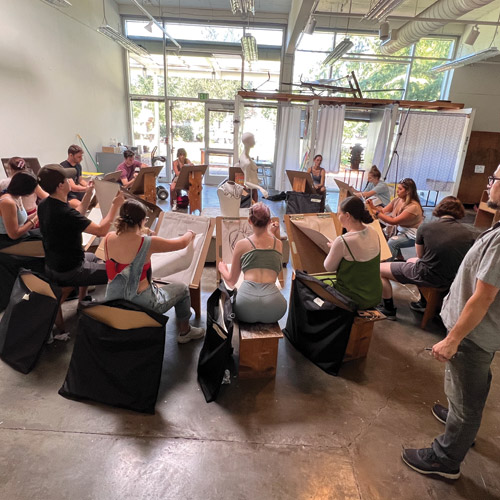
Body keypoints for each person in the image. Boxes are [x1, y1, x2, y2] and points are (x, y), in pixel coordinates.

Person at [402, 167, 500, 480]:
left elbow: (484, 297)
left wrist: (452, 338)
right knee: (466, 387)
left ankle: (446, 458)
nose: (488, 185)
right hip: (475, 331)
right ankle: (459, 422)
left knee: (468, 394)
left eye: (493, 179)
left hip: (474, 333)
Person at [104, 199, 205, 343]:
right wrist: (189, 233)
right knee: (182, 289)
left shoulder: (108, 238)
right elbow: (181, 243)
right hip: (142, 304)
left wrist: (141, 231)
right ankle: (185, 331)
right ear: (141, 221)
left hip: (113, 301)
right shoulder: (147, 242)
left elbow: (126, 248)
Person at [37, 164, 124, 308]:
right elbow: (101, 231)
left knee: (94, 256)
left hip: (54, 264)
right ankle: (118, 309)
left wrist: (89, 193)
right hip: (70, 270)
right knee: (121, 271)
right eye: (66, 179)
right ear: (60, 185)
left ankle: (82, 301)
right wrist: (115, 206)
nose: (70, 180)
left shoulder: (45, 204)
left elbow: (78, 213)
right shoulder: (66, 213)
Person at [378, 196, 475, 319]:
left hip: (428, 274)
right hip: (451, 277)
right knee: (411, 261)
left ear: (440, 208)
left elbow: (420, 255)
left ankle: (388, 309)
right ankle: (423, 302)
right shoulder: (468, 233)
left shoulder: (426, 227)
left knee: (379, 269)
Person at [218, 202, 286, 323]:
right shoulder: (278, 244)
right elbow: (266, 247)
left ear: (249, 221)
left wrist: (222, 269)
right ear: (270, 221)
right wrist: (272, 233)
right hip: (275, 307)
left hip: (245, 307)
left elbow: (232, 280)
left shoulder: (242, 244)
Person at [324, 196, 382, 310]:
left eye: (338, 213)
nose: (337, 216)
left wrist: (333, 247)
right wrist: (336, 246)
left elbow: (328, 267)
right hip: (374, 294)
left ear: (347, 216)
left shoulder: (343, 241)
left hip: (353, 299)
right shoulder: (373, 231)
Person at [368, 178, 423, 260]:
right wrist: (372, 206)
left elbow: (393, 221)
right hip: (400, 230)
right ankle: (399, 257)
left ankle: (386, 266)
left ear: (408, 191)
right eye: (398, 188)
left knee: (392, 242)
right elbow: (383, 211)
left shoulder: (413, 207)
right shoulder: (398, 199)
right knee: (380, 234)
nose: (397, 191)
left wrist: (376, 213)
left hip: (412, 235)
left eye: (400, 189)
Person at [0, 157, 48, 226]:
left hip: (18, 216)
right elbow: (45, 197)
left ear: (10, 169)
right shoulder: (29, 181)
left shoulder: (3, 183)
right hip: (29, 214)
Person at [0, 171, 41, 250]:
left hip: (18, 237)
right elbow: (14, 235)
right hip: (7, 242)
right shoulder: (8, 202)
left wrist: (39, 212)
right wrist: (35, 219)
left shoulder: (17, 197)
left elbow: (21, 221)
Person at [238, 132, 268, 201]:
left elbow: (251, 174)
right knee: (252, 209)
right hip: (250, 191)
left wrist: (256, 180)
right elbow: (246, 182)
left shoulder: (247, 156)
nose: (255, 141)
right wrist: (261, 188)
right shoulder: (246, 161)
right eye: (253, 140)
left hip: (253, 189)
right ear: (248, 142)